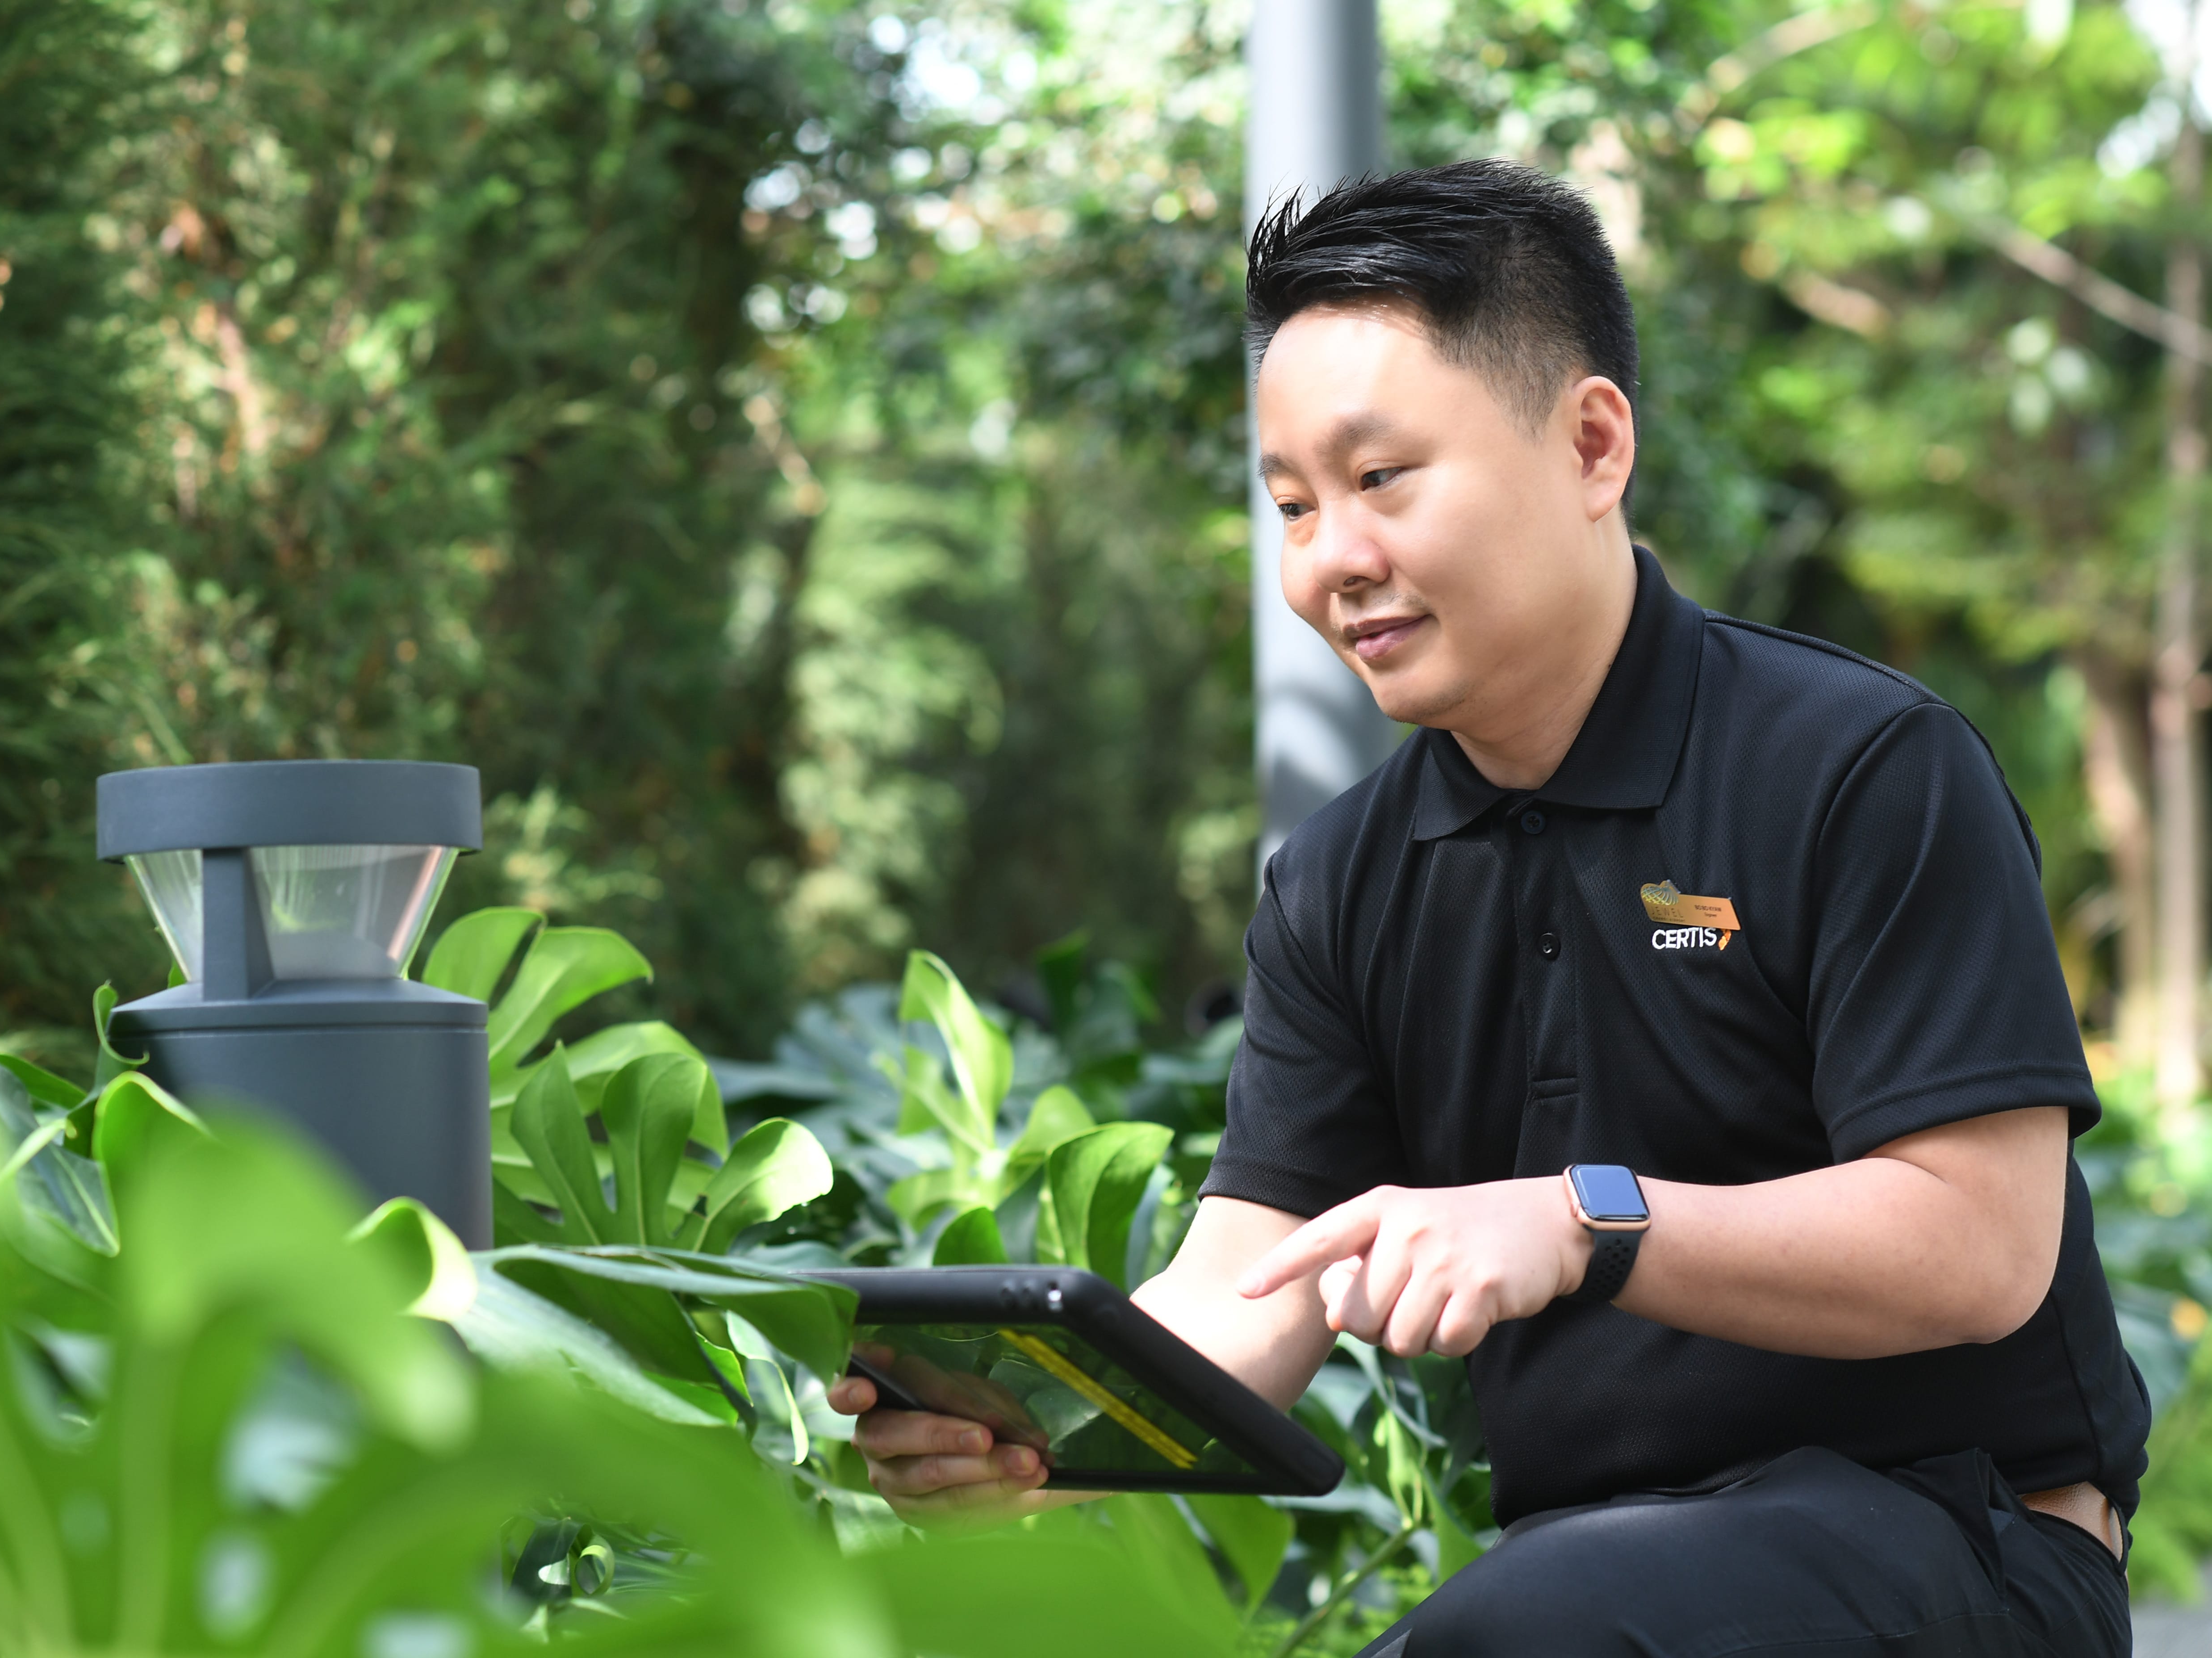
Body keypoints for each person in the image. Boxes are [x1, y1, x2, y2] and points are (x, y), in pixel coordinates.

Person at [828, 159, 2148, 1656]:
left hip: (1960, 1547)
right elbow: (1255, 1284)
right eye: (1291, 505)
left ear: (1592, 445)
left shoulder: (1861, 767)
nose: (1334, 560)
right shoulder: (1341, 881)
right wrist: (1039, 1435)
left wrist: (1586, 1220)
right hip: (1587, 1577)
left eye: (1382, 479)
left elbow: (1977, 1248)